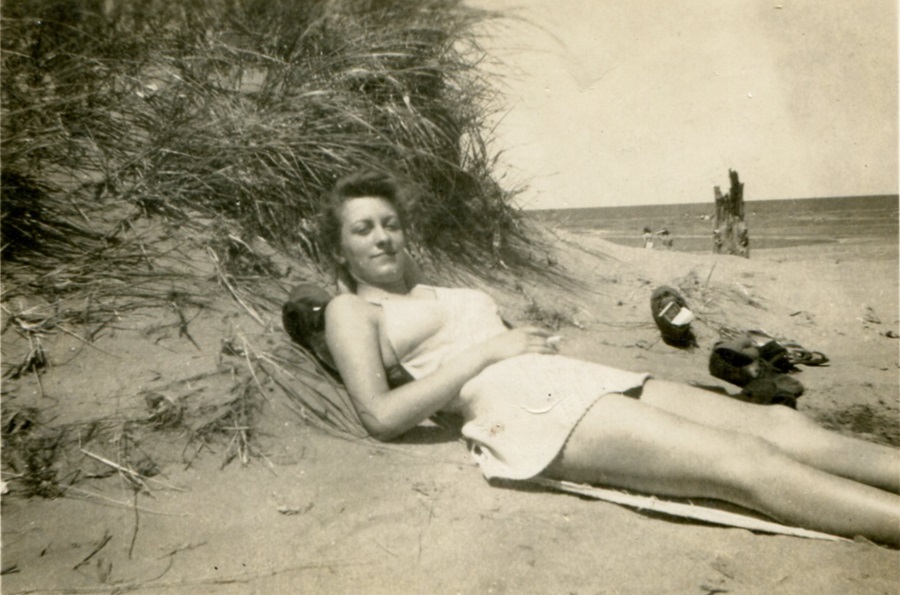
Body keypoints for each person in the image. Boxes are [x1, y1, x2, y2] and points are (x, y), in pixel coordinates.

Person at [319, 169, 900, 546]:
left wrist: (508, 340)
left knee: (778, 425)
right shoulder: (350, 309)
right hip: (525, 407)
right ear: (339, 250)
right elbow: (381, 417)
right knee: (742, 461)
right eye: (363, 230)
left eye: (391, 225)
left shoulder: (424, 288)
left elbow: (441, 317)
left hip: (574, 377)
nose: (383, 238)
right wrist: (487, 353)